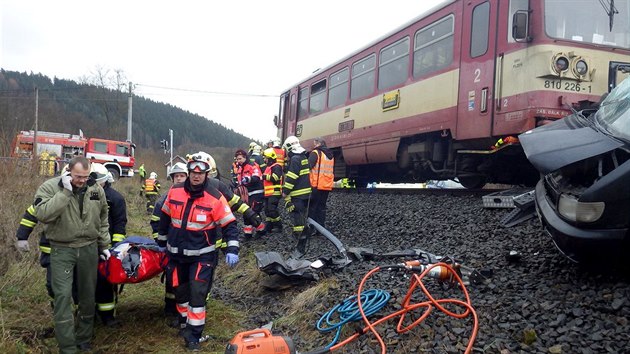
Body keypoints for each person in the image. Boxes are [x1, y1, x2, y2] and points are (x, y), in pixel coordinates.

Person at [157, 154, 240, 351]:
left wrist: (232, 248)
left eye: (200, 173)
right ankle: (185, 324)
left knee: (197, 295)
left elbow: (229, 225)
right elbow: (165, 217)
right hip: (176, 255)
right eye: (193, 172)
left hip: (202, 256)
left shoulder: (215, 197)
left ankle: (194, 336)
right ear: (188, 173)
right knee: (181, 293)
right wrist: (161, 242)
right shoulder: (175, 191)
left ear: (206, 174)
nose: (196, 176)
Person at [33, 156, 110, 353]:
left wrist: (104, 245)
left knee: (87, 295)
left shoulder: (95, 189)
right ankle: (67, 346)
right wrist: (66, 192)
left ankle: (84, 339)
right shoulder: (51, 187)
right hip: (62, 249)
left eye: (85, 176)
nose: (82, 180)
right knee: (63, 296)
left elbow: (102, 217)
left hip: (89, 248)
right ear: (68, 171)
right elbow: (43, 214)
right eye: (78, 176)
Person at [15, 205, 78, 305]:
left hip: (78, 250)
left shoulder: (86, 193)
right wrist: (22, 236)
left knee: (80, 285)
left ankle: (80, 310)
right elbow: (32, 213)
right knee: (53, 284)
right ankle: (60, 304)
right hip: (52, 250)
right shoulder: (49, 194)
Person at [150, 162, 189, 318]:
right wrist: (162, 244)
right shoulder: (165, 199)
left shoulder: (194, 196)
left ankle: (186, 310)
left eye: (182, 176)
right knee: (172, 278)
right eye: (176, 176)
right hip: (171, 247)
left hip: (191, 246)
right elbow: (155, 222)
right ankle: (170, 309)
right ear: (172, 179)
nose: (179, 179)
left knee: (187, 280)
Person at [91, 163, 127, 327]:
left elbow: (120, 223)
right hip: (87, 245)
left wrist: (115, 247)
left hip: (107, 246)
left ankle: (107, 316)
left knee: (105, 281)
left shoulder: (115, 198)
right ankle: (88, 315)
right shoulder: (87, 194)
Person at [282, 136, 312, 259]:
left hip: (297, 194)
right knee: (303, 215)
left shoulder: (294, 159)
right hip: (306, 193)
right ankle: (304, 236)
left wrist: (285, 191)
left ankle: (299, 240)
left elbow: (292, 177)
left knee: (297, 217)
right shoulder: (303, 157)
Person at [234, 149, 265, 239]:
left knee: (253, 213)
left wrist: (249, 179)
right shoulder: (239, 168)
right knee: (246, 213)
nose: (238, 161)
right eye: (237, 159)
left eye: (240, 159)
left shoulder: (252, 165)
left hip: (256, 192)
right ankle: (248, 234)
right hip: (246, 195)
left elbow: (257, 177)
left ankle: (261, 231)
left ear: (245, 157)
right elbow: (239, 181)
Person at [308, 137, 334, 232]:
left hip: (316, 185)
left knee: (313, 208)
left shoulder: (316, 153)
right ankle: (321, 229)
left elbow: (309, 166)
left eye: (315, 144)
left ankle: (312, 228)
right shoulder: (330, 155)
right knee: (321, 207)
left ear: (318, 144)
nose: (314, 146)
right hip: (326, 185)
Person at [261, 148, 283, 234]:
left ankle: (278, 225)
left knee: (272, 209)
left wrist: (264, 177)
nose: (264, 159)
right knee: (267, 210)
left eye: (265, 158)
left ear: (270, 158)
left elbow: (275, 178)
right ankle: (269, 226)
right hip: (268, 193)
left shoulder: (276, 166)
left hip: (275, 192)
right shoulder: (269, 167)